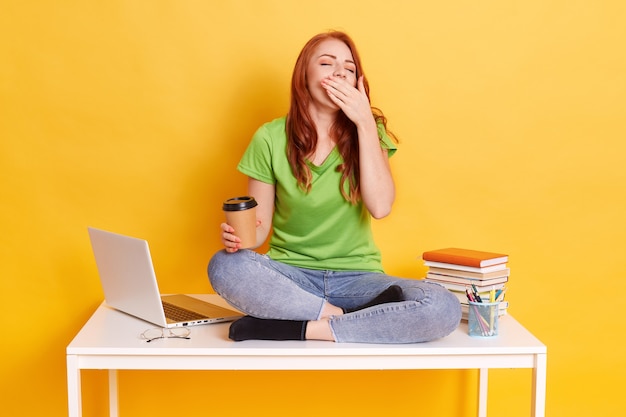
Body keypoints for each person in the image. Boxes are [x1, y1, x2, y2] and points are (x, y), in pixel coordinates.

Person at [208, 30, 460, 343]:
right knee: (224, 265)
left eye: (349, 69)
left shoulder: (369, 131)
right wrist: (239, 239)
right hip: (291, 277)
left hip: (359, 280)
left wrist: (365, 122)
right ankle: (342, 317)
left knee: (443, 305)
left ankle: (295, 328)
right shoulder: (270, 137)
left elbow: (381, 207)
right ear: (304, 76)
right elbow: (259, 231)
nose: (340, 72)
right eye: (327, 64)